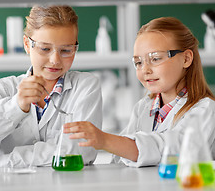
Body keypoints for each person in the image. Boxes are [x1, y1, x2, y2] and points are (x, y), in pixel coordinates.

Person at [0, 5, 102, 168]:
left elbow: (81, 151)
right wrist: (16, 106)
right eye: (45, 49)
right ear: (27, 44)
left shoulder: (86, 86)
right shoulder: (6, 89)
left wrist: (0, 162)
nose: (55, 59)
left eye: (66, 50)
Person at [64, 17, 215, 167]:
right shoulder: (144, 107)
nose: (145, 70)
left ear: (186, 59)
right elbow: (119, 159)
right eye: (138, 62)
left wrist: (105, 140)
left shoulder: (206, 109)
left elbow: (173, 149)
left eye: (155, 58)